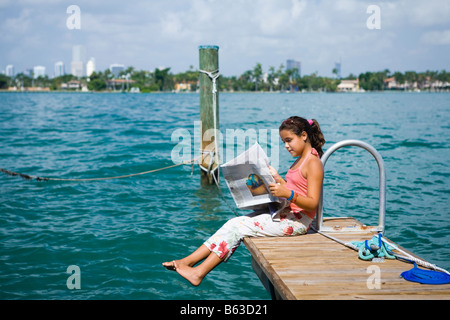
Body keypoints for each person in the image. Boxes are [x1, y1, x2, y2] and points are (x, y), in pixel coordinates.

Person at [162, 116, 326, 286]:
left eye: (289, 140)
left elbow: (313, 202)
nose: (285, 146)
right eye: (283, 141)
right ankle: (187, 262)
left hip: (298, 222)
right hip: (288, 213)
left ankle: (198, 273)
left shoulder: (313, 163)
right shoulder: (300, 160)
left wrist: (287, 193)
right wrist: (277, 180)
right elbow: (296, 189)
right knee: (233, 222)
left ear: (304, 135)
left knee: (239, 228)